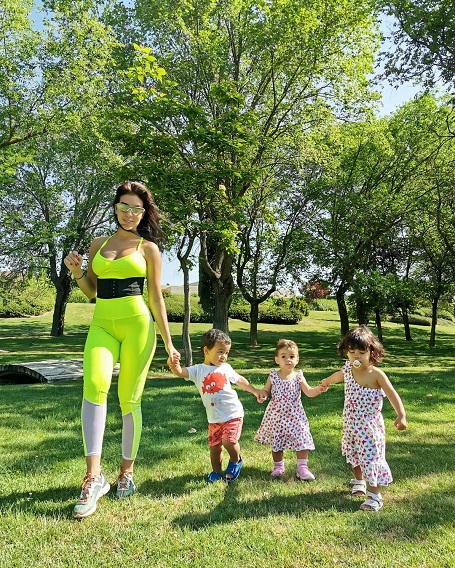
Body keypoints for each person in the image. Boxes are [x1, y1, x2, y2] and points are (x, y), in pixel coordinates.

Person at [64, 180, 179, 519]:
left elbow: (156, 298)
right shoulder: (98, 243)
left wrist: (169, 343)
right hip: (102, 324)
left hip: (138, 328)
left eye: (137, 209)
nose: (130, 214)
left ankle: (126, 471)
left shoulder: (148, 249)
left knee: (128, 398)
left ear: (144, 213)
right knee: (94, 387)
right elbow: (91, 292)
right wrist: (78, 273)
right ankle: (93, 477)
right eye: (125, 207)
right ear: (115, 207)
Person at [320, 325, 407, 512]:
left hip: (369, 426)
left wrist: (401, 415)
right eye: (352, 352)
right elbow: (337, 376)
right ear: (346, 352)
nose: (356, 357)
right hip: (351, 423)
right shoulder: (348, 370)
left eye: (361, 352)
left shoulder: (376, 374)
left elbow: (392, 394)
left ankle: (375, 496)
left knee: (370, 457)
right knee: (354, 455)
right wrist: (326, 382)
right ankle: (359, 482)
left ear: (371, 352)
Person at [168, 328, 263, 483]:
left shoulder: (226, 368)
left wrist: (255, 391)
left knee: (229, 441)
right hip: (214, 418)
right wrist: (174, 364)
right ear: (206, 350)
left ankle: (235, 460)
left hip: (233, 414)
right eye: (220, 352)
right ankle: (217, 472)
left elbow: (240, 380)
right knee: (214, 447)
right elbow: (180, 372)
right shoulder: (198, 370)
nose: (224, 356)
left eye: (226, 352)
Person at [255, 339, 327, 481]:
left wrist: (318, 389)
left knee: (302, 438)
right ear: (277, 359)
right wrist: (262, 395)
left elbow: (309, 392)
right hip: (277, 415)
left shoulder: (298, 376)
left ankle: (302, 468)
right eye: (283, 356)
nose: (288, 360)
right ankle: (278, 466)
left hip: (296, 416)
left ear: (297, 359)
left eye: (292, 356)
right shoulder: (273, 376)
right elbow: (265, 391)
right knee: (277, 441)